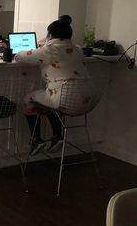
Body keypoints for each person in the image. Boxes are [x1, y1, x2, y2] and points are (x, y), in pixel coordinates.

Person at [14, 15, 89, 155]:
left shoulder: (49, 50)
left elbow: (19, 56)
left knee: (29, 99)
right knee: (47, 101)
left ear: (50, 34)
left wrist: (43, 45)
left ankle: (36, 140)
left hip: (64, 100)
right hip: (87, 100)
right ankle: (57, 136)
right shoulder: (78, 49)